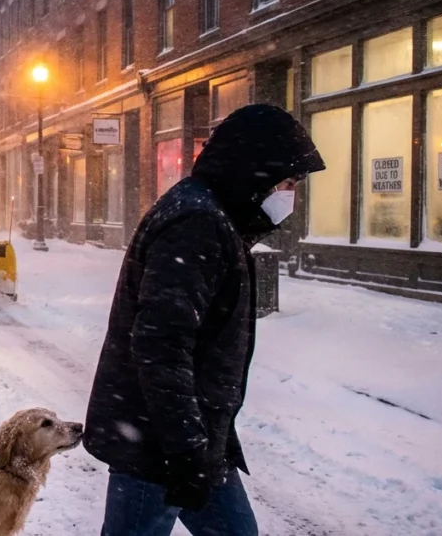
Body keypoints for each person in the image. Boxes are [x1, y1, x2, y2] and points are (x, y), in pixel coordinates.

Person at [84, 105, 325, 536]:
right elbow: (161, 344)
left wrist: (204, 439)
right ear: (253, 172)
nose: (291, 195)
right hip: (159, 443)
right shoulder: (198, 224)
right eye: (287, 182)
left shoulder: (217, 218)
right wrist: (184, 447)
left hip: (192, 438)